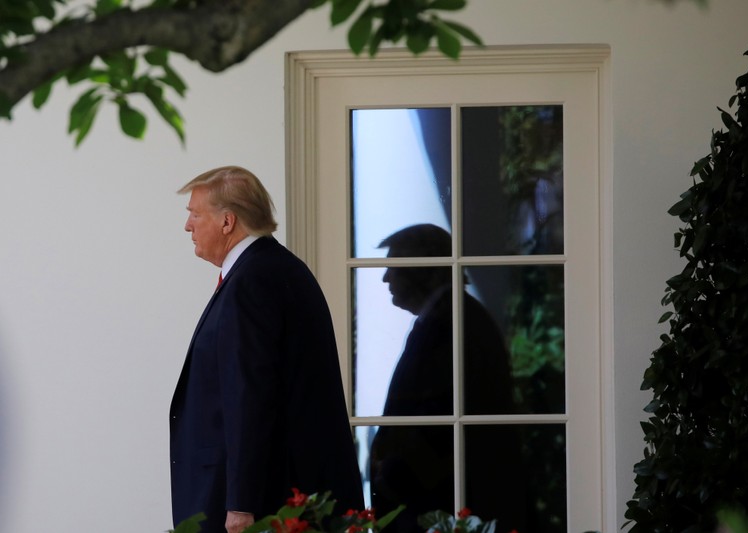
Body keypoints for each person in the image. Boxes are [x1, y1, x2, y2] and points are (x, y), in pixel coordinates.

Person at [170, 166, 363, 533]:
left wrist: (242, 504)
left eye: (195, 214)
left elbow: (249, 396)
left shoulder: (253, 282)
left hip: (262, 504)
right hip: (284, 493)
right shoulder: (274, 270)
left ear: (227, 221)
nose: (188, 226)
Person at [368, 224, 525, 532]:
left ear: (421, 268)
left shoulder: (448, 323)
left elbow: (433, 421)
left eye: (394, 265)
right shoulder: (451, 318)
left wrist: (393, 475)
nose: (386, 276)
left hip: (442, 505)